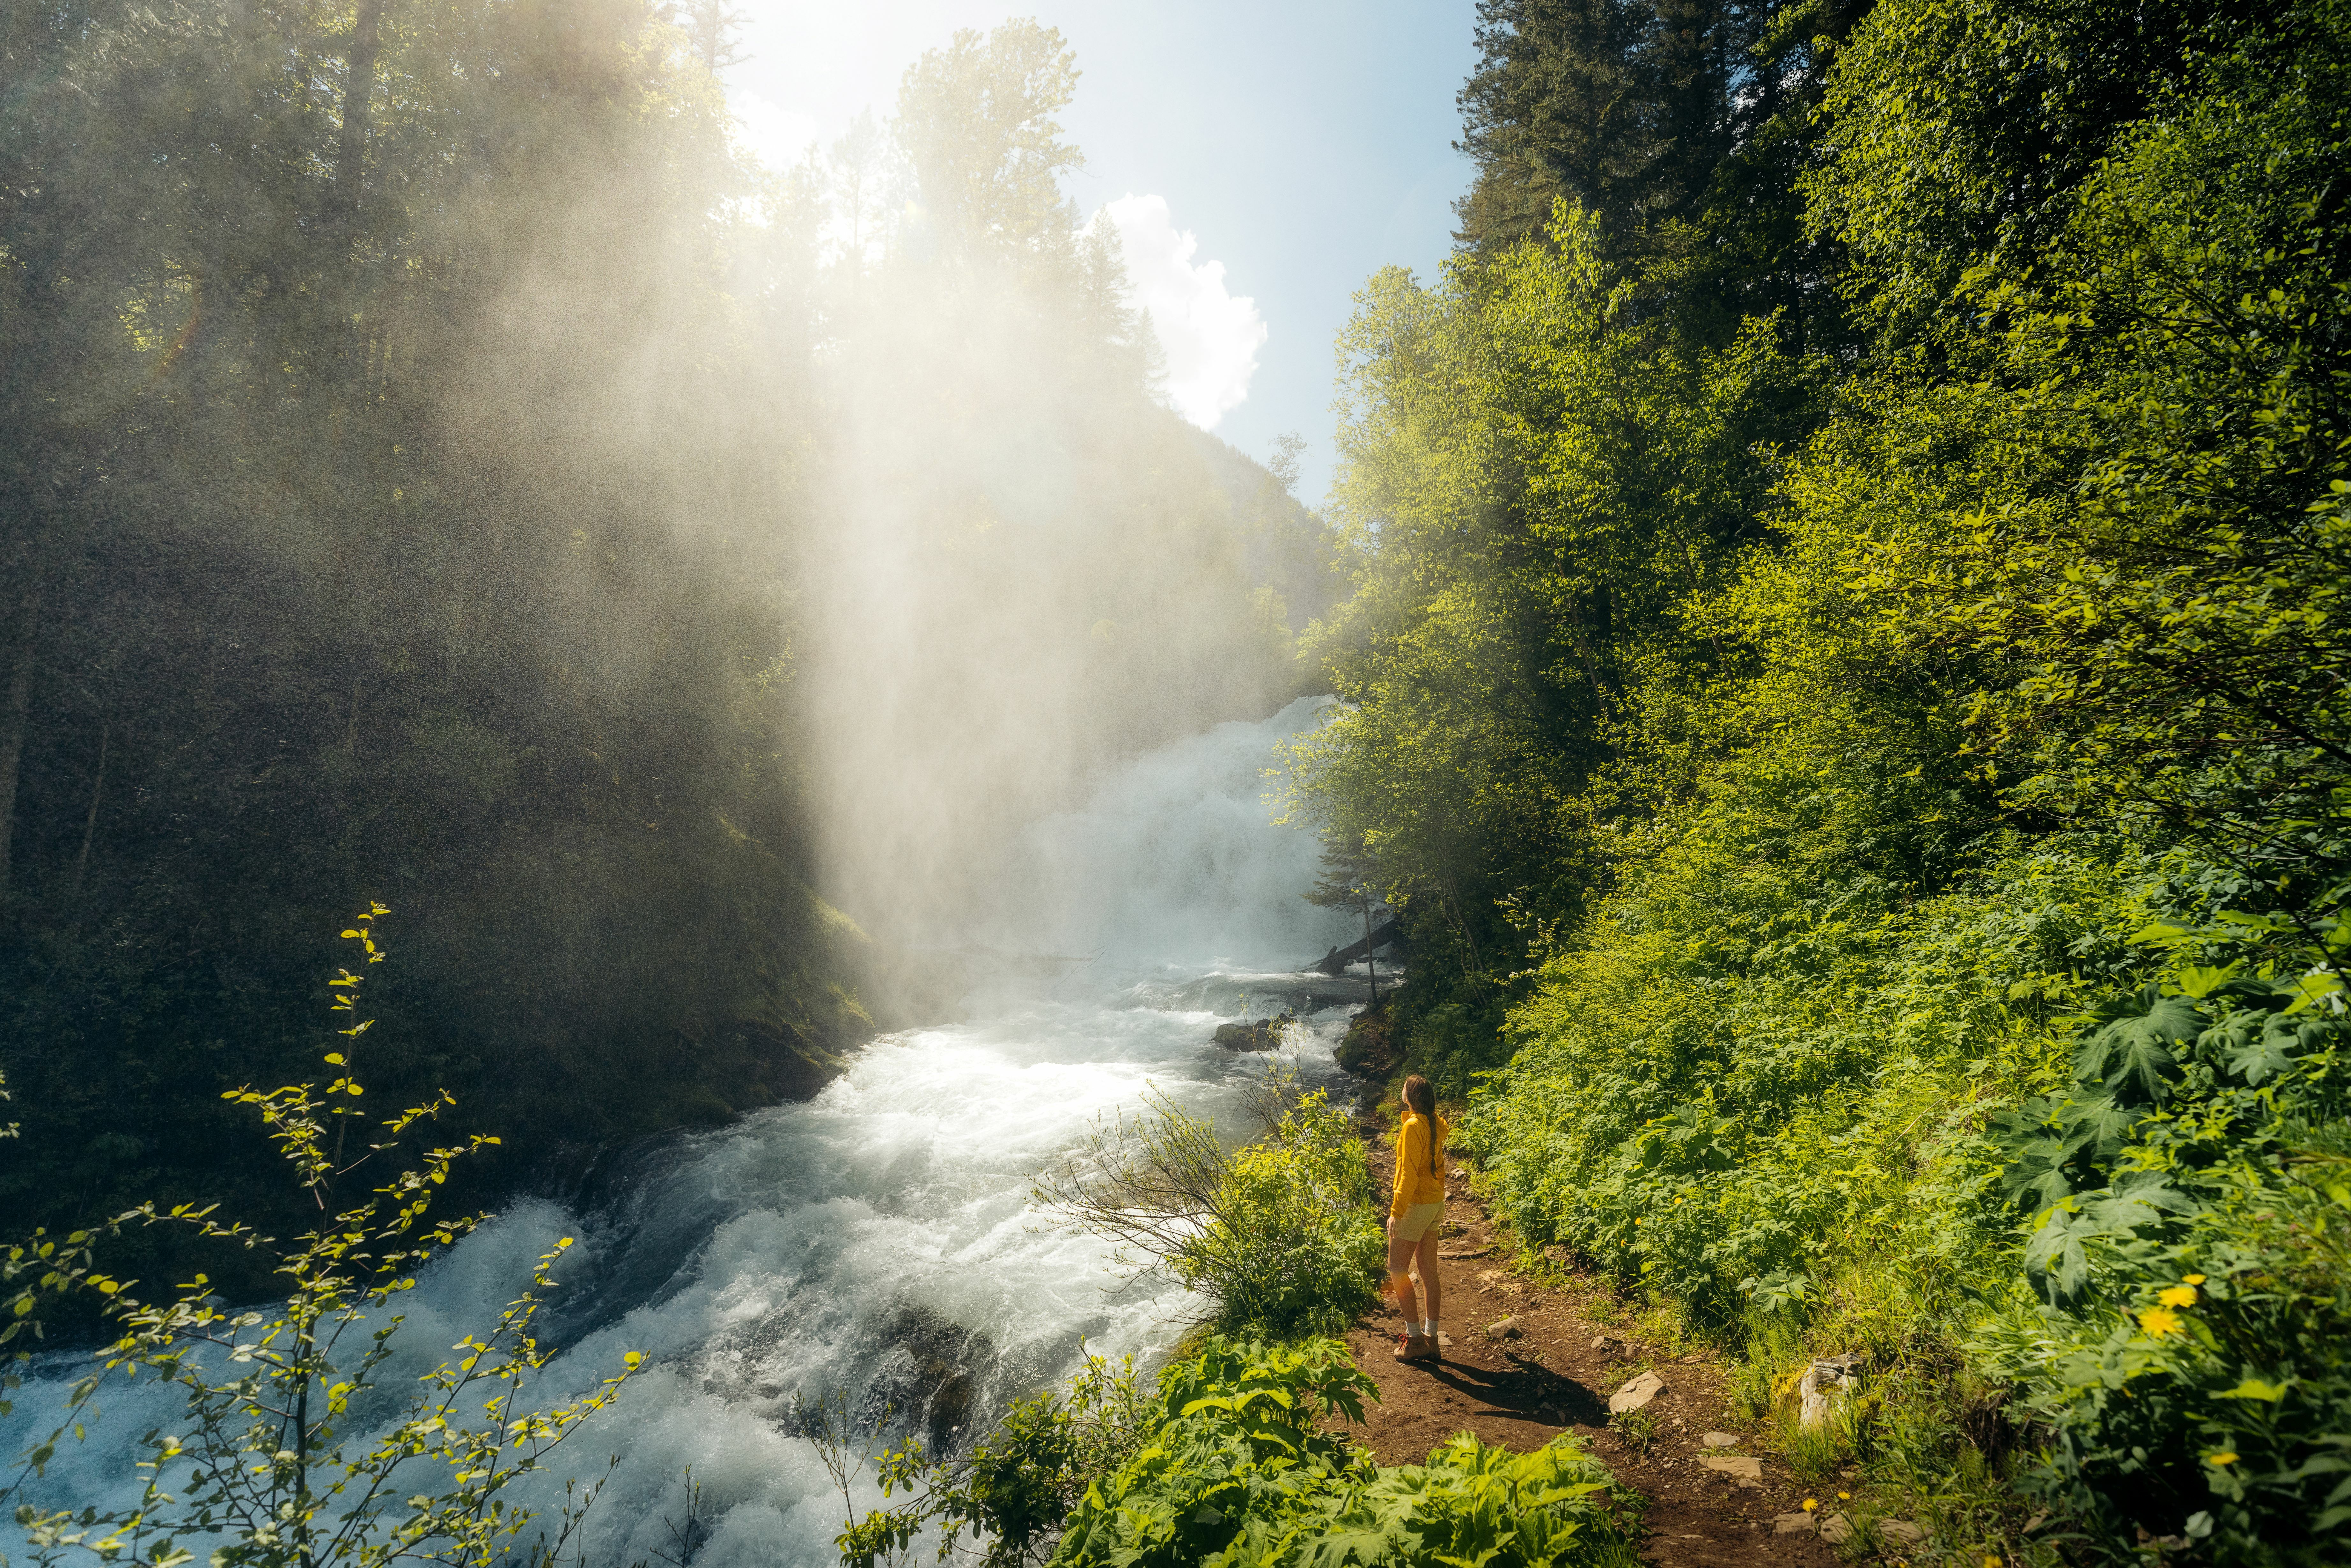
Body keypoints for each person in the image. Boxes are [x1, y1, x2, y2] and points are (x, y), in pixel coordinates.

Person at [1386, 1073, 1447, 1363]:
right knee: (1427, 1271)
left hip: (1417, 1205)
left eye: (1404, 1086)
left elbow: (1409, 1173)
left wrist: (1396, 1212)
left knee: (1396, 1267)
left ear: (1409, 1096)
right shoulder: (1433, 1122)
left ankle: (1413, 1340)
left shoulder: (1412, 1127)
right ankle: (1432, 1339)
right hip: (1434, 1202)